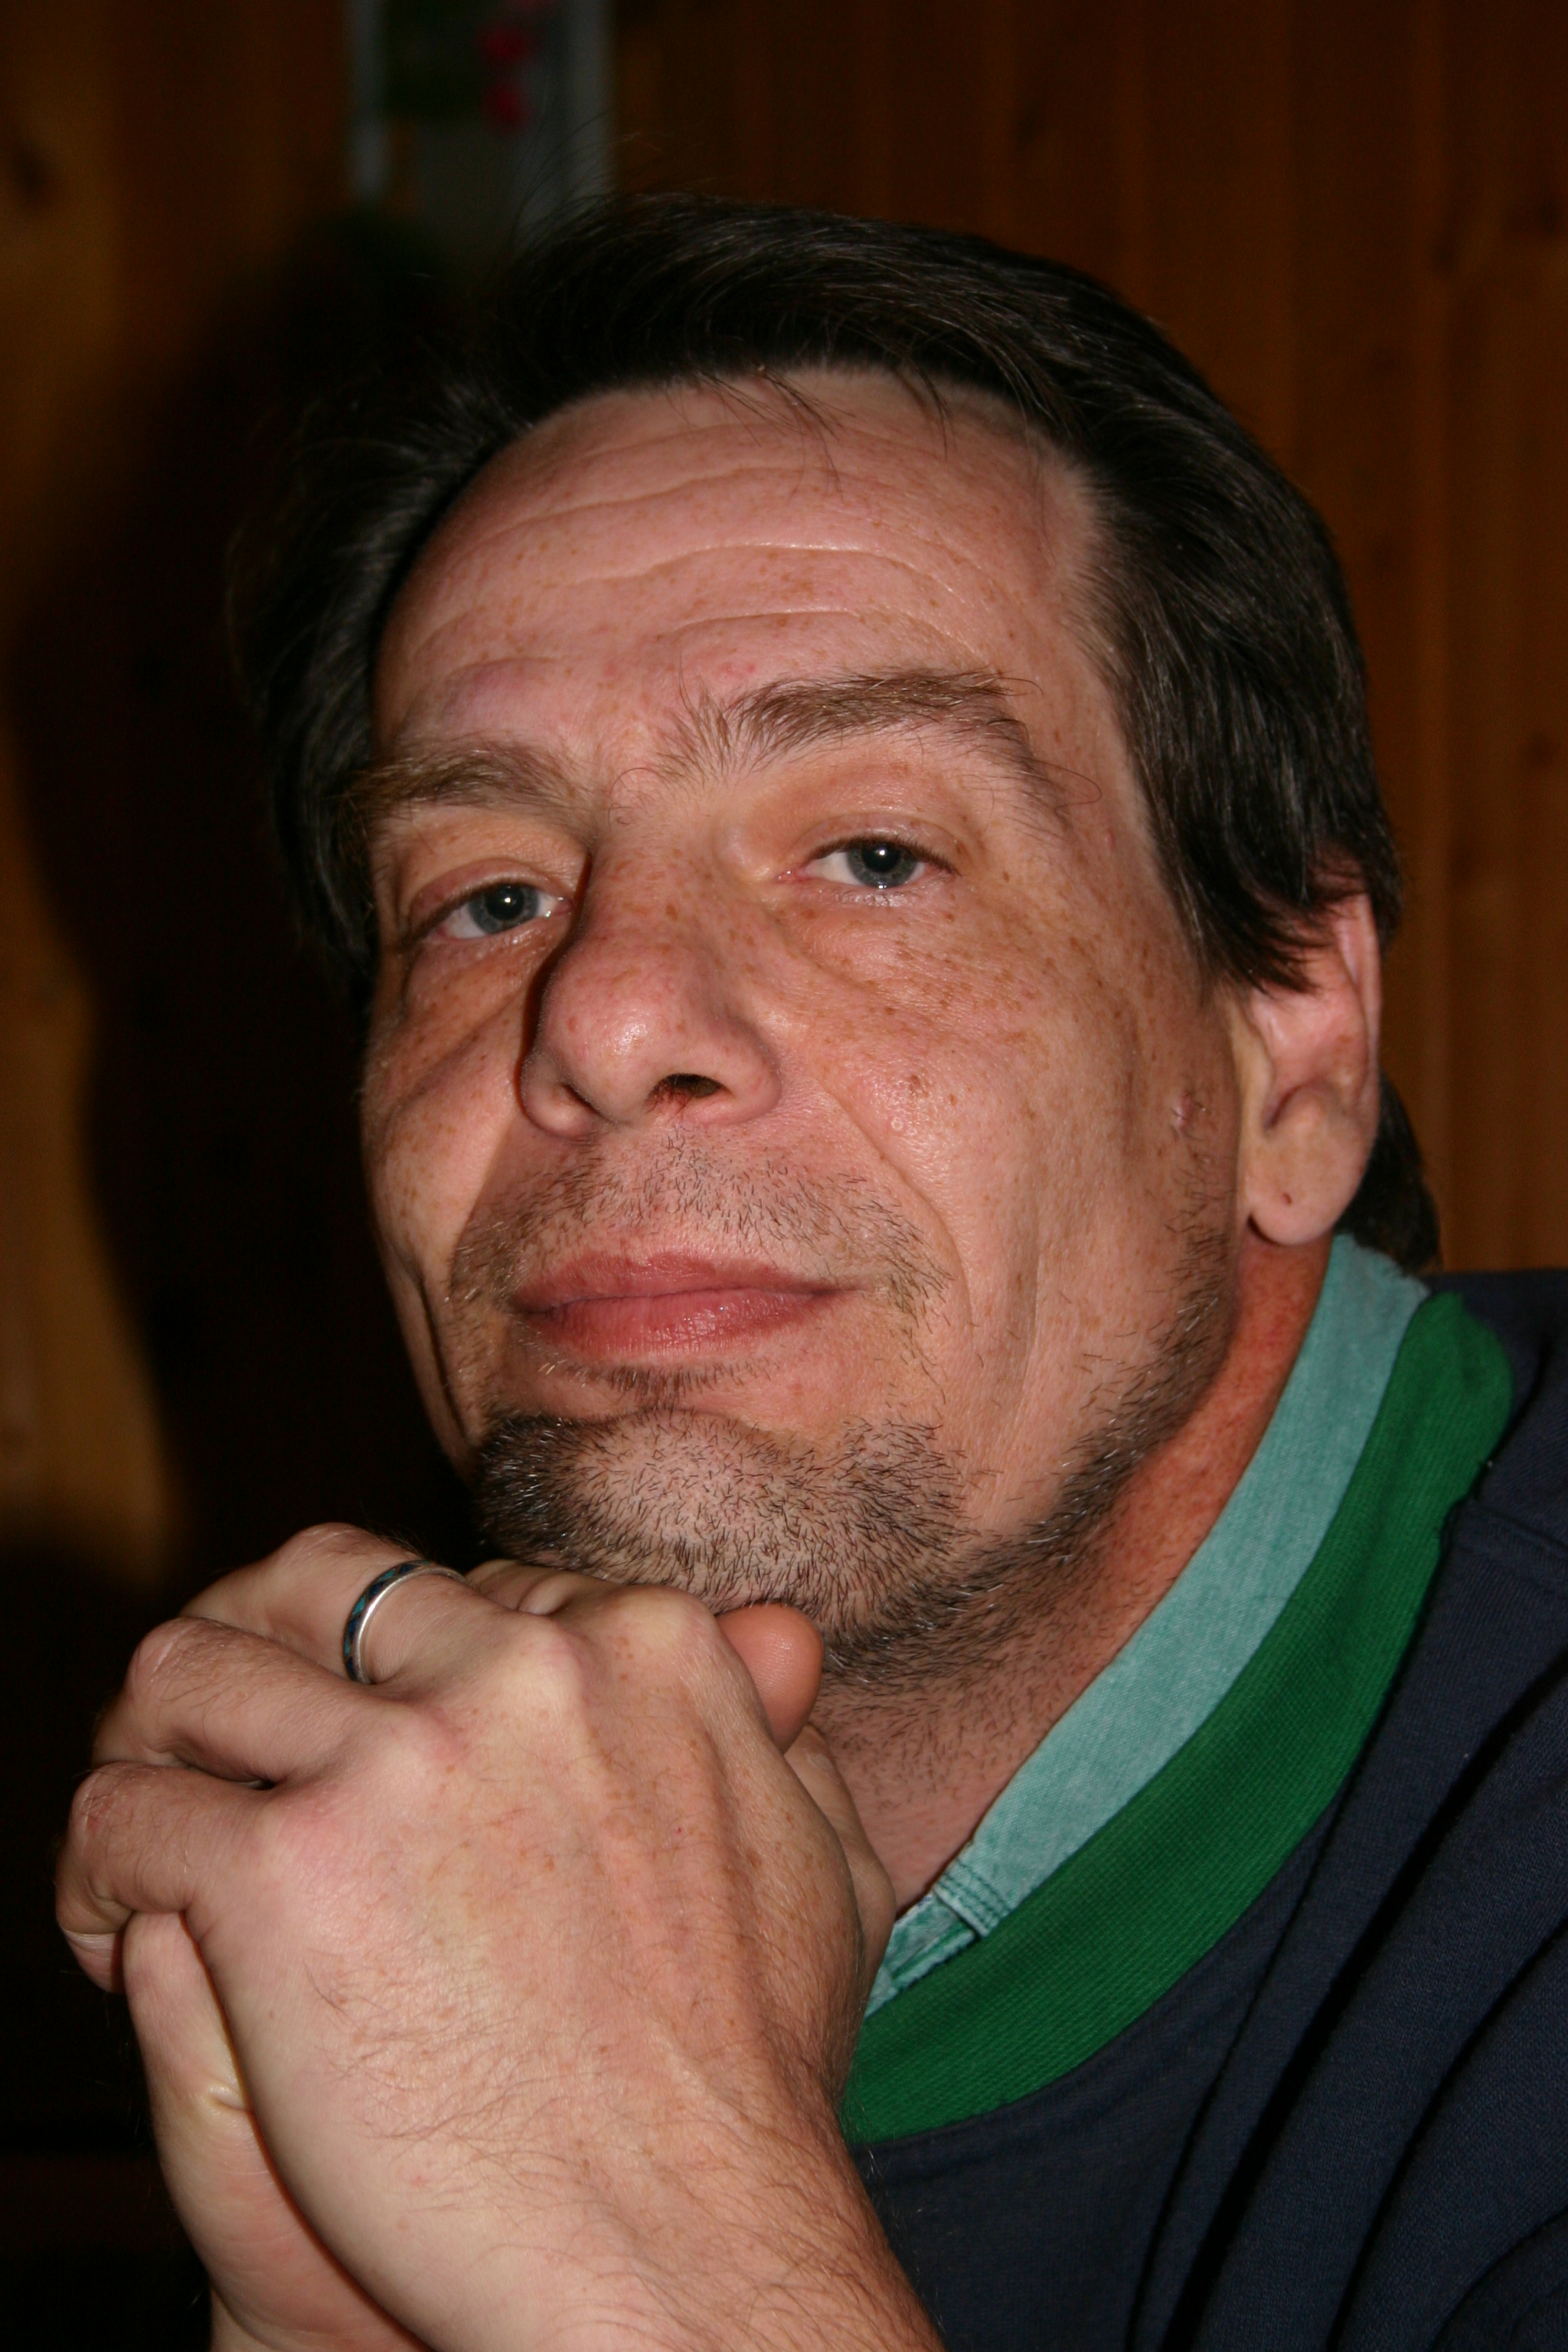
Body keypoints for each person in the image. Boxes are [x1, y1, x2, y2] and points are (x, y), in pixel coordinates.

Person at [57, 199, 1568, 2352]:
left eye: (874, 855)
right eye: (486, 897)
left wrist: (671, 2252)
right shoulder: (437, 1909)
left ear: (1293, 1052)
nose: (601, 1017)